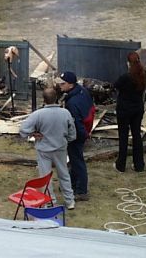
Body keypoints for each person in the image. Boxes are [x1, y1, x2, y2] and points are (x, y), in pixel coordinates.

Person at [19, 88, 77, 210]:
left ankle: (50, 201)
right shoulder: (65, 113)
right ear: (56, 98)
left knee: (45, 177)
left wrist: (33, 133)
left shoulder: (38, 114)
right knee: (64, 174)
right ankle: (69, 201)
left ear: (44, 99)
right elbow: (72, 134)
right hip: (60, 148)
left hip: (44, 149)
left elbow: (23, 130)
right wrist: (66, 139)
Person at [56, 71, 95, 202]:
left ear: (71, 84)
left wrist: (78, 136)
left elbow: (75, 123)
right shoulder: (82, 90)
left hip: (77, 135)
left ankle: (81, 191)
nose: (60, 85)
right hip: (83, 130)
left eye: (63, 83)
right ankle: (71, 184)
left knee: (77, 161)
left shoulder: (72, 103)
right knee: (74, 160)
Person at [114, 52, 146, 173]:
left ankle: (121, 165)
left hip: (124, 109)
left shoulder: (125, 77)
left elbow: (115, 86)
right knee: (136, 135)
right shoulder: (144, 74)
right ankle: (139, 165)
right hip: (137, 108)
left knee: (123, 136)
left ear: (128, 63)